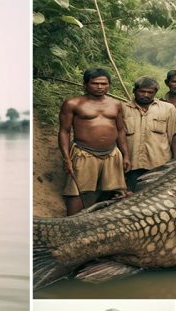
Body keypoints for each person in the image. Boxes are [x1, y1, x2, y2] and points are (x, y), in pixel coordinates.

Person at [59, 68, 130, 216]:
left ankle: (105, 225)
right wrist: (66, 158)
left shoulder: (116, 104)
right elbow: (64, 131)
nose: (100, 87)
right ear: (85, 84)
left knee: (115, 191)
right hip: (84, 152)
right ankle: (71, 225)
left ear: (109, 84)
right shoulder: (73, 103)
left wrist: (125, 155)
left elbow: (121, 130)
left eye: (104, 84)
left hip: (112, 153)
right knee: (76, 192)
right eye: (95, 83)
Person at [122, 76, 176, 191]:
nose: (146, 95)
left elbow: (173, 136)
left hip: (160, 164)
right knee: (131, 195)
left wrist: (175, 161)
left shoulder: (168, 109)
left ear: (155, 93)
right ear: (134, 91)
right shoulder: (123, 108)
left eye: (150, 92)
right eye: (142, 91)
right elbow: (118, 136)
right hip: (132, 165)